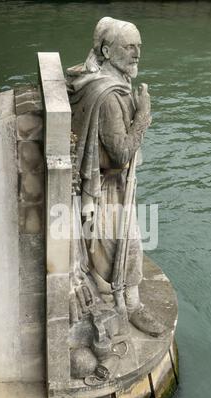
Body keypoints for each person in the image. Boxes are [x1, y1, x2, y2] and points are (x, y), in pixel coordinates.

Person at [67, 17, 165, 337]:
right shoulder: (109, 97)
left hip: (109, 184)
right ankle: (128, 305)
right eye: (129, 47)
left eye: (139, 47)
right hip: (106, 188)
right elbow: (122, 152)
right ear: (107, 51)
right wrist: (143, 117)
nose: (137, 54)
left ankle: (123, 299)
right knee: (125, 246)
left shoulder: (93, 79)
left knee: (115, 247)